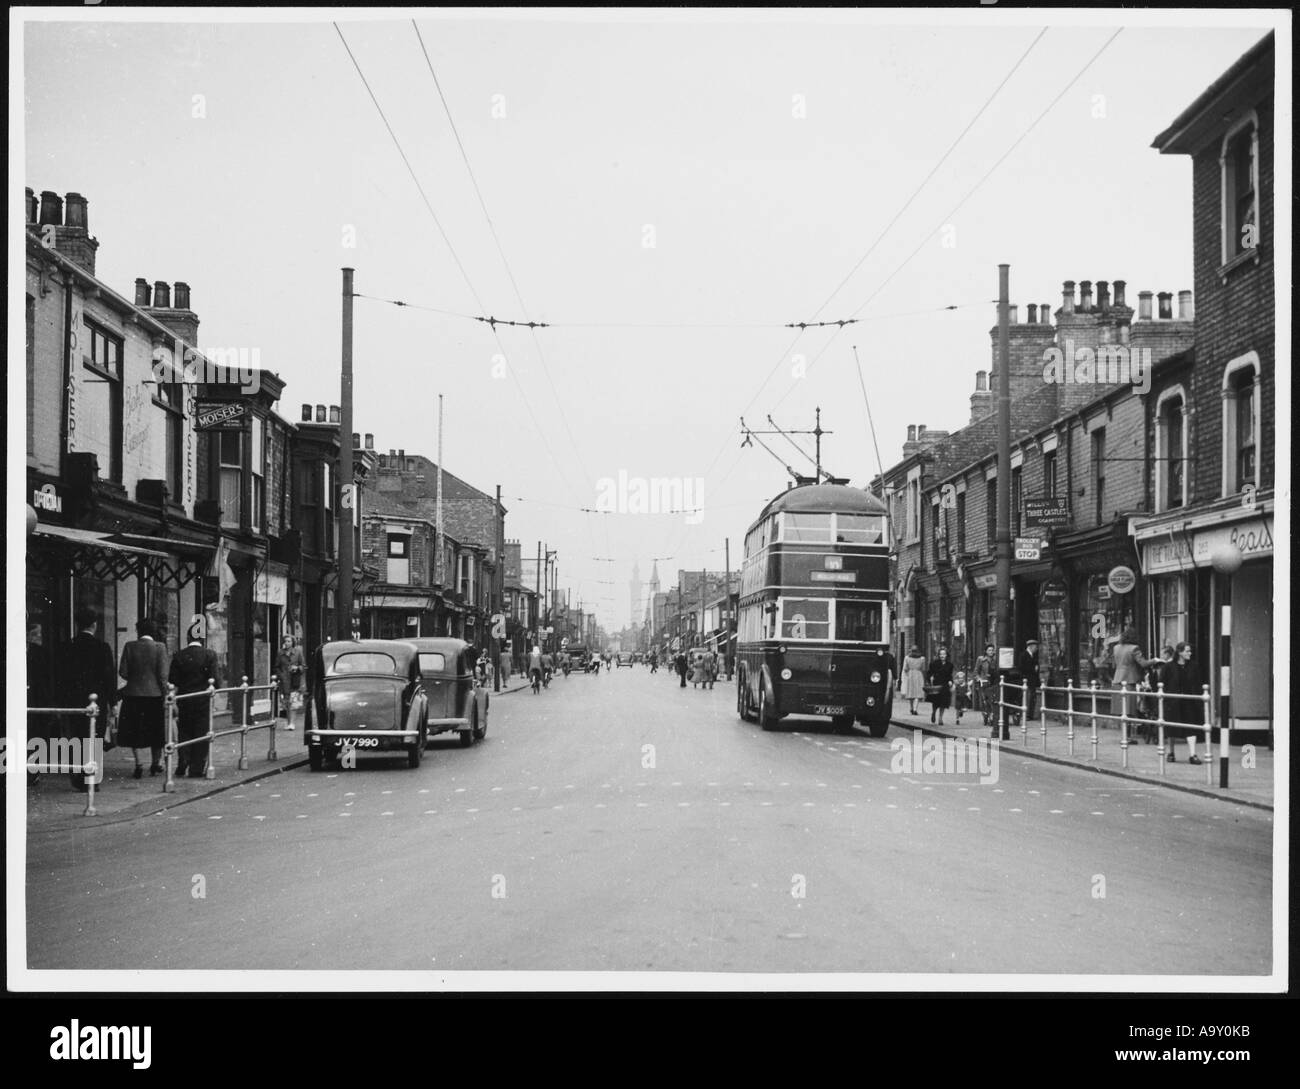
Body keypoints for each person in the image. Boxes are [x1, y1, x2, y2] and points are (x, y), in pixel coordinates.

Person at [64, 607, 119, 792]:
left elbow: (62, 676)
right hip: (97, 701)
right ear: (95, 625)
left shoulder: (68, 646)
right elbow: (109, 677)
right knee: (94, 737)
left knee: (78, 736)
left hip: (74, 700)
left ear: (77, 624)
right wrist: (113, 702)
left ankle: (79, 777)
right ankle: (92, 779)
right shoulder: (102, 647)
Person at [117, 619, 169, 778]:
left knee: (134, 731)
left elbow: (123, 672)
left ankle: (138, 764)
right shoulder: (160, 647)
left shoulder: (129, 646)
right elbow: (162, 675)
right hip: (154, 695)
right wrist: (165, 692)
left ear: (138, 631)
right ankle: (155, 764)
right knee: (156, 732)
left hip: (132, 695)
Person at [169, 633, 220, 778]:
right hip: (203, 700)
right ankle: (196, 768)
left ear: (188, 639)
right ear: (203, 640)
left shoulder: (179, 655)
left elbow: (173, 679)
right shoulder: (210, 655)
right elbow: (215, 680)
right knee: (201, 732)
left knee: (184, 730)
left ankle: (183, 759)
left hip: (185, 699)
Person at [1162, 642, 1204, 764]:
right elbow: (1161, 683)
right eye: (1187, 651)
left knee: (1191, 726)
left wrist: (1197, 698)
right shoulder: (1168, 667)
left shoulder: (1194, 666)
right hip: (1173, 701)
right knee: (1172, 728)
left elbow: (1198, 682)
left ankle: (1193, 754)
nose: (1190, 653)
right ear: (1180, 652)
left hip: (1189, 701)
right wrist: (1166, 698)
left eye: (1190, 651)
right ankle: (1171, 753)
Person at [1110, 626, 1156, 725]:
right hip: (1129, 680)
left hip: (1117, 679)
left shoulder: (1116, 648)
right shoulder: (1134, 648)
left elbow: (1115, 663)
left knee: (1121, 710)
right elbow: (1143, 663)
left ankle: (1124, 736)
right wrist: (1155, 660)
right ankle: (1128, 737)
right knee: (1129, 710)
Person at [276, 636, 305, 729]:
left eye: (289, 641)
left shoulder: (298, 652)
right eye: (285, 641)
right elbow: (276, 667)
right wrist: (281, 675)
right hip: (284, 682)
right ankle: (288, 722)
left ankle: (292, 723)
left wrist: (297, 668)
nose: (287, 643)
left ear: (293, 642)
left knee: (294, 703)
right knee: (287, 703)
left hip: (294, 680)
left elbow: (303, 666)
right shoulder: (280, 653)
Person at [926, 646, 954, 725]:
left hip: (944, 685)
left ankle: (940, 718)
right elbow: (929, 673)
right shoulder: (934, 663)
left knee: (943, 702)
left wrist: (951, 681)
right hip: (936, 684)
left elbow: (950, 675)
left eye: (944, 654)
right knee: (936, 701)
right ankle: (934, 712)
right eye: (941, 654)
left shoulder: (950, 665)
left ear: (946, 655)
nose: (942, 656)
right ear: (938, 655)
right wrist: (930, 678)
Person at [973, 644, 997, 726]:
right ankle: (986, 715)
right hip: (984, 682)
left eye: (992, 650)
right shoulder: (981, 659)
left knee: (992, 700)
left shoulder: (995, 660)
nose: (991, 652)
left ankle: (992, 716)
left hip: (993, 682)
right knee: (985, 701)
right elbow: (976, 672)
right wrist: (979, 679)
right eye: (989, 650)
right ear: (986, 651)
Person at [1020, 638, 1042, 721]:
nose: (1036, 649)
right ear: (1031, 647)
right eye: (1035, 647)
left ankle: (1030, 714)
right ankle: (1027, 715)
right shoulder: (1024, 655)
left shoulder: (1033, 656)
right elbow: (1022, 668)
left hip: (1032, 681)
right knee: (1028, 697)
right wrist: (1034, 669)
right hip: (1027, 680)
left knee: (1032, 697)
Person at [901, 645, 926, 715]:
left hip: (911, 675)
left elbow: (905, 668)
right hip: (918, 674)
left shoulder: (907, 658)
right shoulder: (922, 658)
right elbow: (923, 669)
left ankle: (911, 708)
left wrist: (907, 673)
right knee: (918, 693)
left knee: (911, 692)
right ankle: (915, 709)